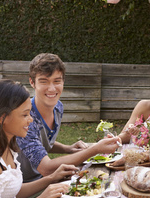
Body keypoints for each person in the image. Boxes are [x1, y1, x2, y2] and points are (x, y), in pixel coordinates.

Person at [17, 53, 120, 183]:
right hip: (23, 187)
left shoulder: (58, 108)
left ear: (63, 81)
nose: (51, 88)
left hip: (43, 179)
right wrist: (95, 150)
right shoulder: (26, 118)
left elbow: (40, 142)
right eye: (44, 81)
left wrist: (67, 148)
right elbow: (46, 168)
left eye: (57, 81)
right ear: (32, 82)